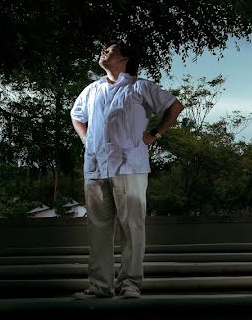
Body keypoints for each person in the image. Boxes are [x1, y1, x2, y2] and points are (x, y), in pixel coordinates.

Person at [70, 42, 184, 298]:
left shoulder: (140, 86)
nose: (103, 52)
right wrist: (87, 139)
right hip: (96, 167)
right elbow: (76, 115)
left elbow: (174, 106)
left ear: (124, 59)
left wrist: (155, 133)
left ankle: (130, 283)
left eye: (109, 51)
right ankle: (100, 285)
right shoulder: (92, 89)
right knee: (98, 228)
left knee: (132, 226)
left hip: (129, 165)